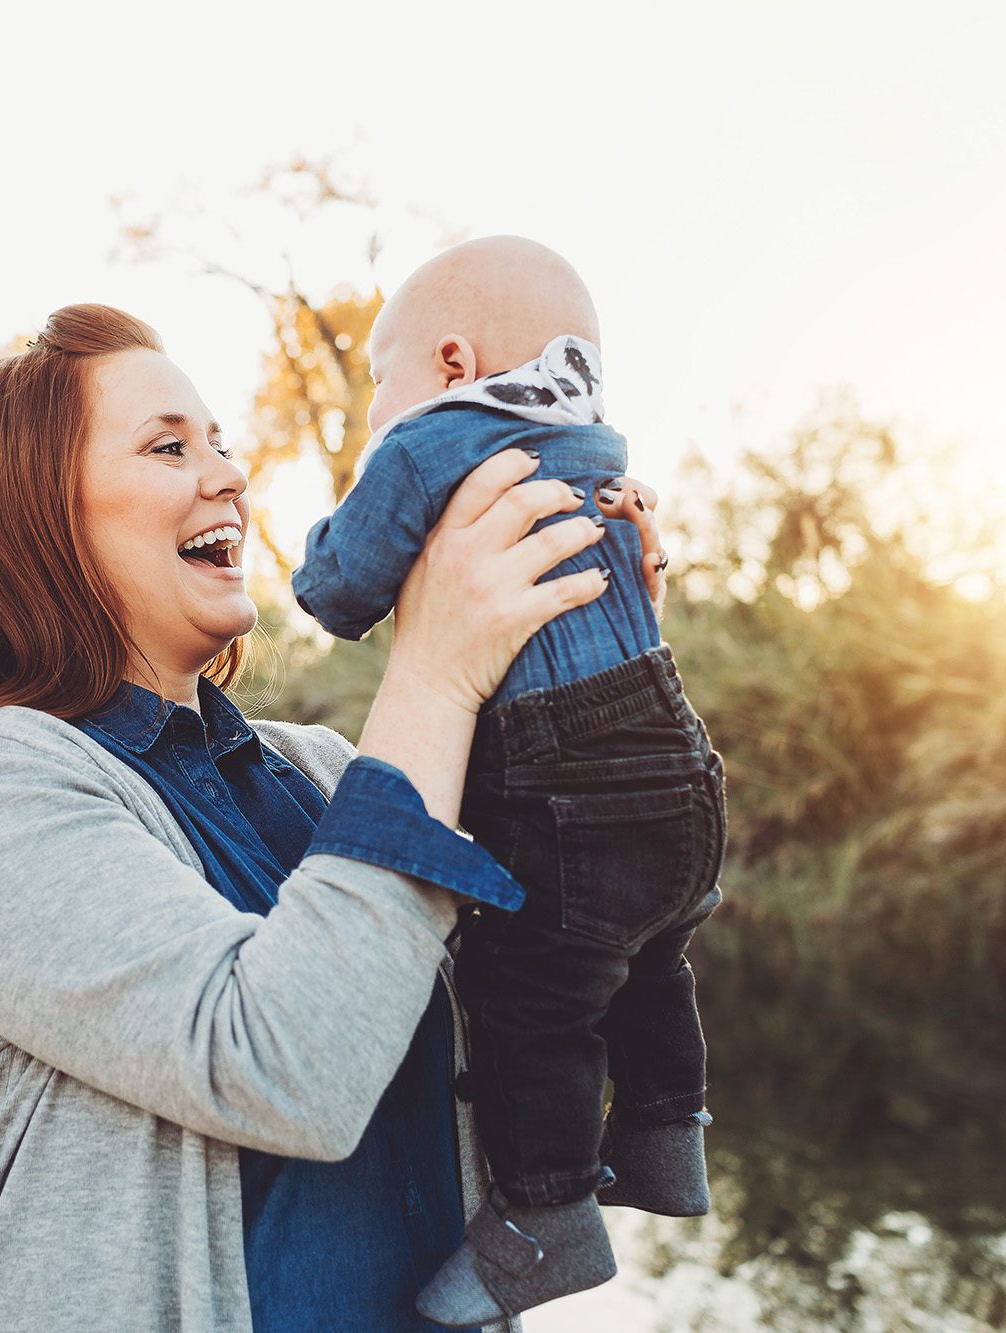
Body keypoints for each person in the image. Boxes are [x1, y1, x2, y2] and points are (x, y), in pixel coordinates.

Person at [0, 303, 667, 1332]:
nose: (227, 472)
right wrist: (435, 667)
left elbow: (575, 954)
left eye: (220, 441)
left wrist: (591, 664)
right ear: (34, 516)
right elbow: (284, 1067)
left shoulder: (319, 775)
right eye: (167, 445)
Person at [292, 236, 727, 1326]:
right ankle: (667, 1136)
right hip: (679, 760)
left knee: (528, 993)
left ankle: (544, 1217)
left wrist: (330, 527)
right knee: (649, 949)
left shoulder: (438, 439)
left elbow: (338, 589)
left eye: (379, 383)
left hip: (564, 776)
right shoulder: (596, 446)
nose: (375, 412)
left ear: (449, 360)